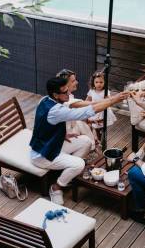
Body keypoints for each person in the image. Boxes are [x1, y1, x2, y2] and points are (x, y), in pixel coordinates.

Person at [30, 77, 128, 205]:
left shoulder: (46, 100)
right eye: (65, 92)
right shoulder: (56, 110)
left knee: (85, 141)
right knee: (79, 164)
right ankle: (56, 187)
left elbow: (42, 125)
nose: (69, 94)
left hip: (52, 144)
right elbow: (86, 113)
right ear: (55, 95)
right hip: (42, 155)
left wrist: (62, 134)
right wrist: (114, 100)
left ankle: (66, 172)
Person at [85, 70, 116, 142]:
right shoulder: (92, 91)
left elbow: (109, 101)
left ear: (104, 83)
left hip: (103, 111)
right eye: (96, 82)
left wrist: (107, 99)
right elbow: (87, 100)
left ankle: (103, 139)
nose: (99, 84)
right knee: (96, 127)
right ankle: (98, 139)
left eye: (101, 82)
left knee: (103, 127)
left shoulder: (105, 91)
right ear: (93, 83)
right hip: (95, 111)